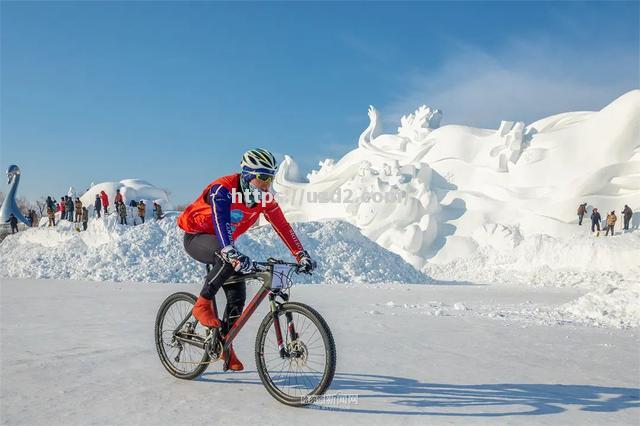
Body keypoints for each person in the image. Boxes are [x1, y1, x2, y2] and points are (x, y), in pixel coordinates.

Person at [177, 148, 315, 372]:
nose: (268, 183)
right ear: (248, 175)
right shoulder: (223, 188)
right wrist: (230, 251)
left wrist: (300, 254)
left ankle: (224, 346)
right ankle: (201, 306)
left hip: (225, 243)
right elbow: (221, 222)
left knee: (237, 297)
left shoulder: (264, 198)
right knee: (226, 258)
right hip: (198, 237)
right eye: (263, 177)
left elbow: (282, 227)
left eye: (271, 177)